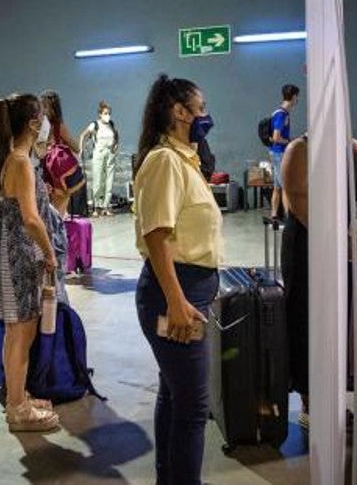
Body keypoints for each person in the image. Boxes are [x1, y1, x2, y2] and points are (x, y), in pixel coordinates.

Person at [132, 75, 223, 485]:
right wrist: (176, 301)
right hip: (176, 290)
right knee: (193, 407)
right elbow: (156, 234)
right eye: (200, 107)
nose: (206, 115)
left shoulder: (186, 159)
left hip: (189, 288)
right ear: (180, 112)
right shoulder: (164, 161)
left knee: (174, 394)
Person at [279, 134, 357, 431]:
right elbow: (299, 205)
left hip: (342, 243)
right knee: (306, 319)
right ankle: (309, 403)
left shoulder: (355, 149)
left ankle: (334, 396)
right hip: (306, 245)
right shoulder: (299, 150)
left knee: (340, 319)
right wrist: (340, 241)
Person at [0, 93, 59, 432]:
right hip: (20, 257)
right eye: (42, 117)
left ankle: (18, 395)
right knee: (20, 333)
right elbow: (31, 218)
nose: (46, 123)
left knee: (17, 332)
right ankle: (17, 408)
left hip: (13, 255)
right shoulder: (20, 162)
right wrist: (49, 253)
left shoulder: (13, 158)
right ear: (32, 123)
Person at [38, 91, 86, 216]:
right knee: (58, 214)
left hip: (46, 174)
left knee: (50, 211)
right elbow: (75, 147)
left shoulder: (38, 127)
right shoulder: (58, 127)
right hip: (59, 176)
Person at [79, 101, 120, 216]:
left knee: (109, 179)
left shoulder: (111, 124)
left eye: (109, 113)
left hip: (110, 153)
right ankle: (97, 206)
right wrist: (81, 149)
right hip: (98, 153)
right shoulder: (95, 125)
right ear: (100, 114)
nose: (108, 115)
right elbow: (83, 135)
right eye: (106, 113)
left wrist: (116, 145)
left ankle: (106, 206)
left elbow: (116, 135)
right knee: (98, 179)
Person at [268, 84, 300, 219]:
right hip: (280, 153)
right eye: (297, 96)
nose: (298, 99)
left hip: (275, 153)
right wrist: (290, 141)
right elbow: (276, 137)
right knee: (286, 186)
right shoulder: (282, 115)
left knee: (277, 186)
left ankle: (274, 214)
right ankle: (288, 217)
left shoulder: (277, 112)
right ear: (293, 97)